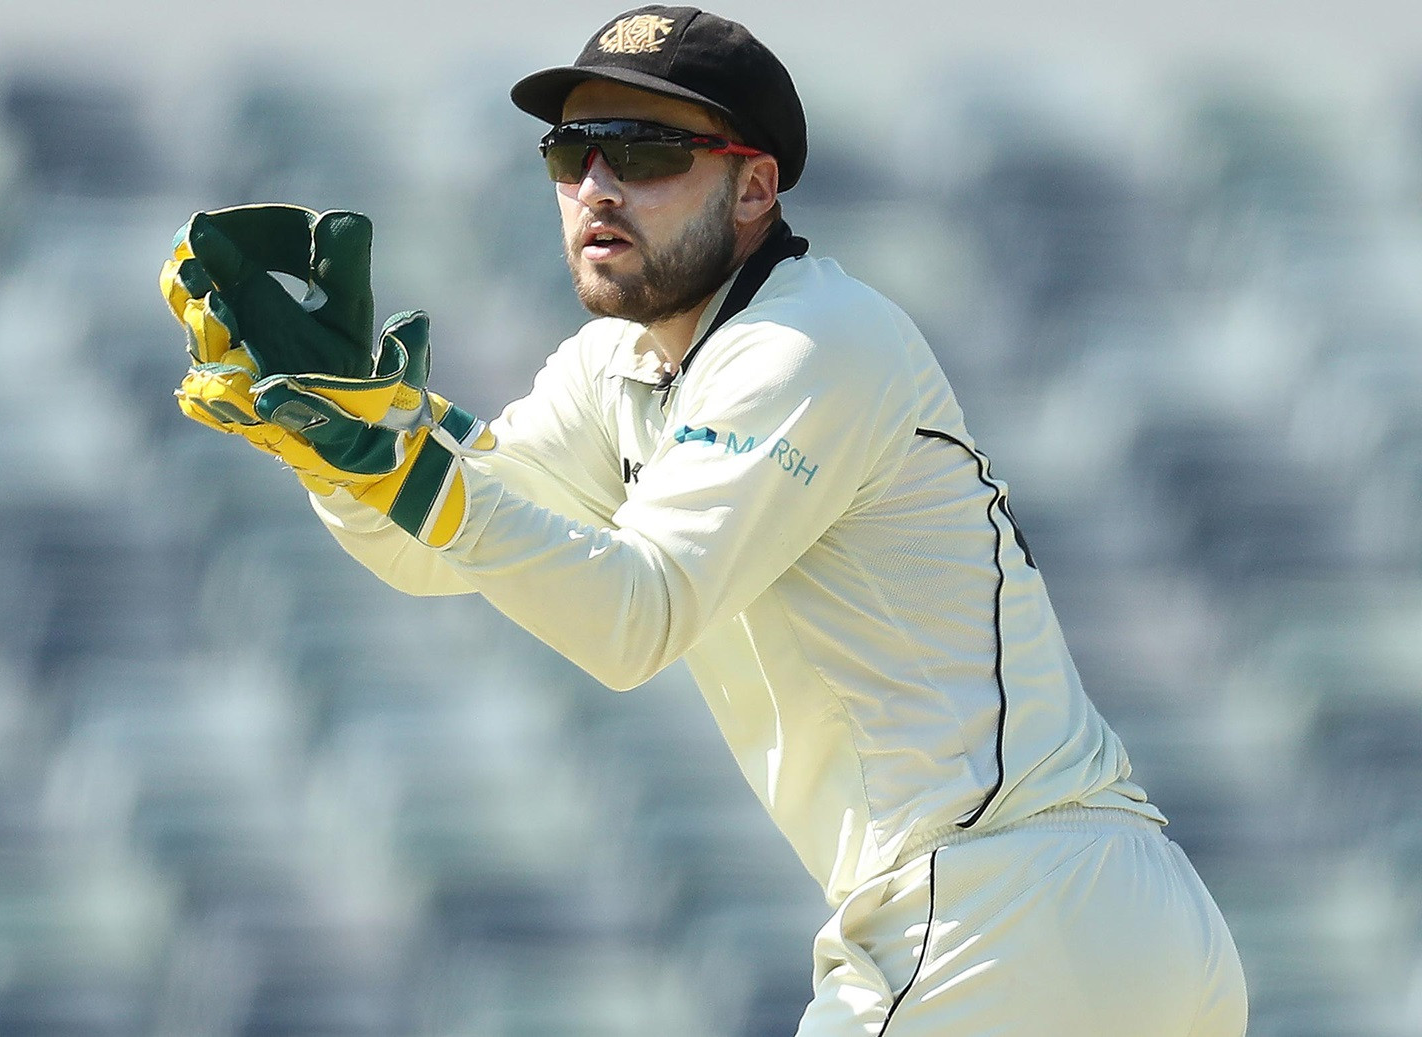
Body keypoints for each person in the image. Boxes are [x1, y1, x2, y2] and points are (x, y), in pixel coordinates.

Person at [160, 6, 1249, 1034]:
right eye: (570, 150)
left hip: (997, 911)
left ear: (753, 187)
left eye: (642, 152)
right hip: (1082, 916)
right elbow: (445, 548)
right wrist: (331, 449)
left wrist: (394, 455)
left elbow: (636, 615)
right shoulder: (621, 365)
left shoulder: (808, 343)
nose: (595, 184)